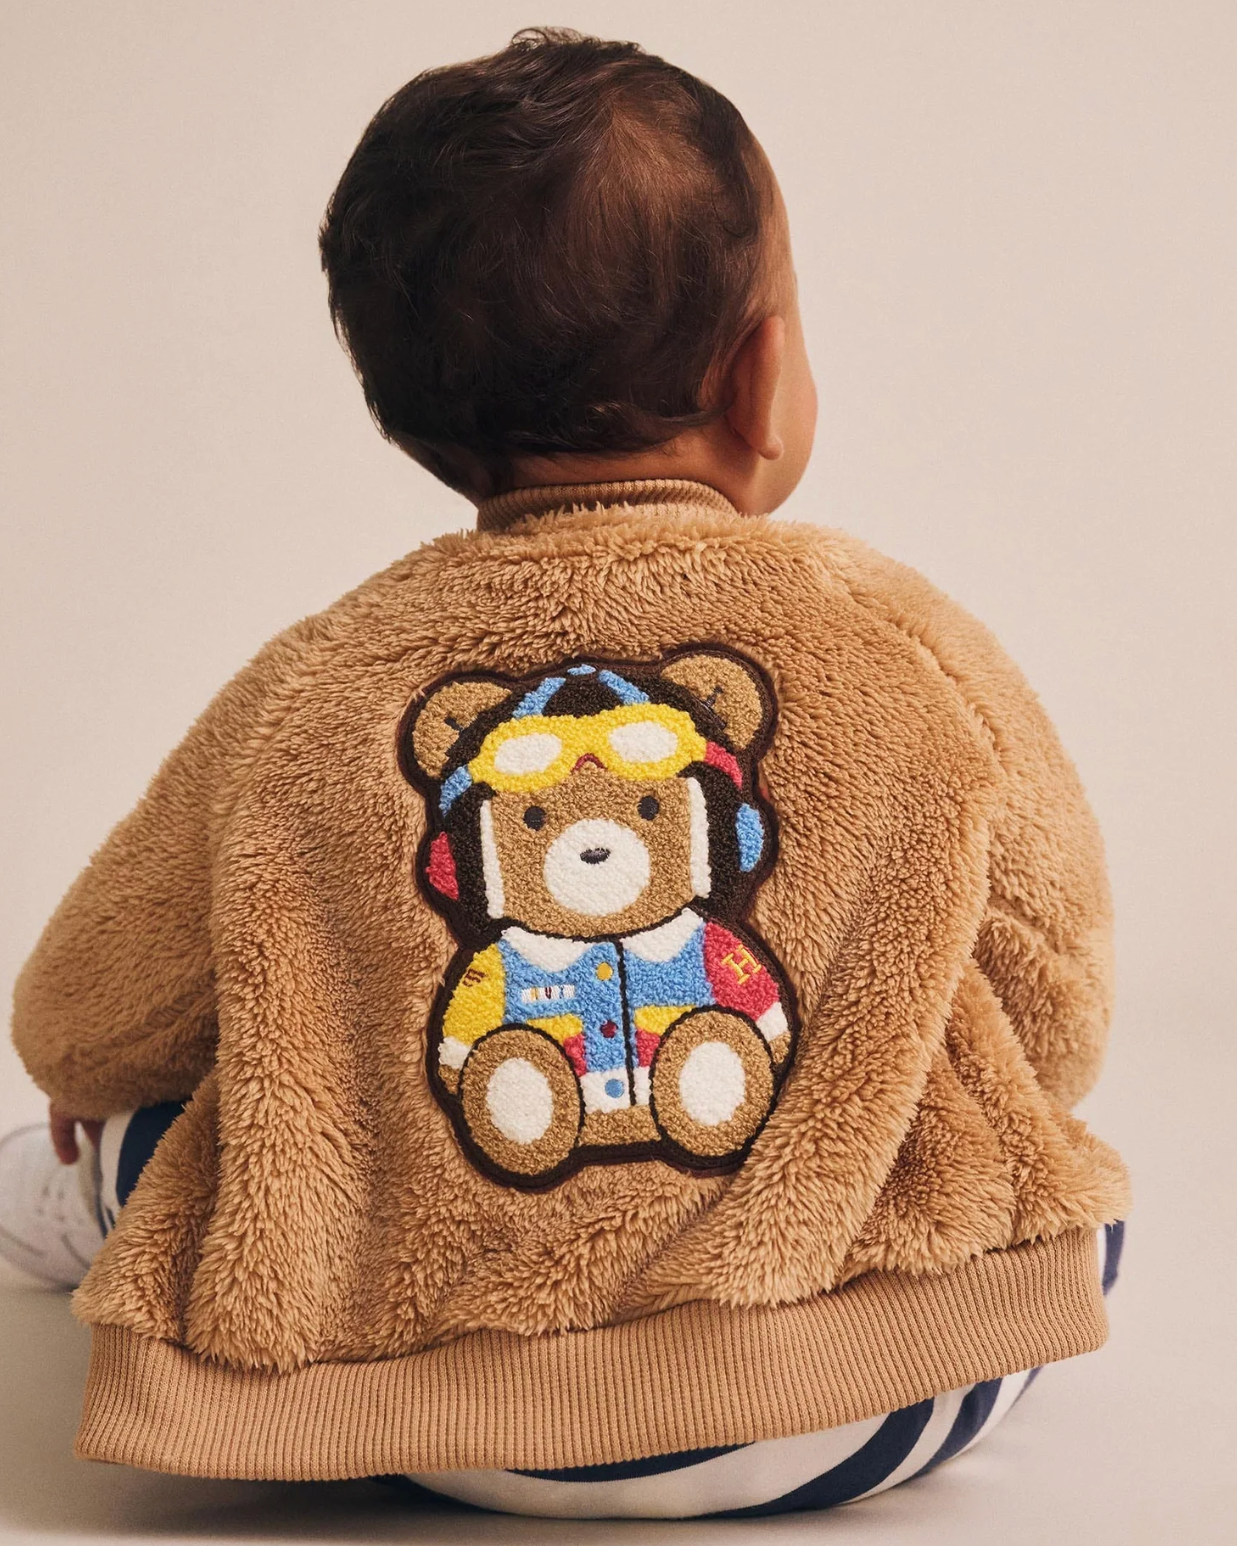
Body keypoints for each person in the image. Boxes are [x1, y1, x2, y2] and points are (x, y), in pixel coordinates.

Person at [2, 25, 1128, 1519]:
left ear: (411, 418)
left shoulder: (315, 680)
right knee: (1058, 1177)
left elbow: (90, 1001)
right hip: (868, 1387)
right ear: (763, 374)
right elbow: (1054, 984)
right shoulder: (896, 639)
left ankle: (60, 1201)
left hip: (401, 1399)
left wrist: (90, 1082)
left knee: (193, 1139)